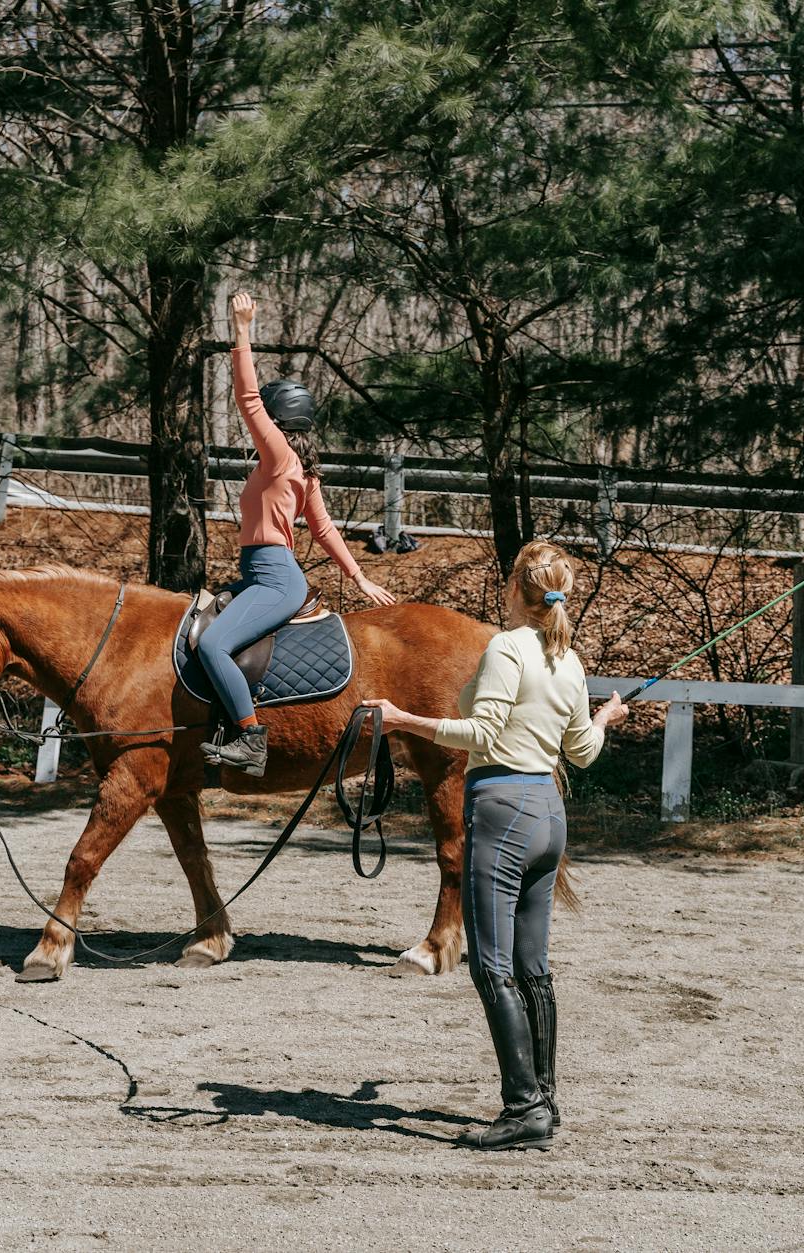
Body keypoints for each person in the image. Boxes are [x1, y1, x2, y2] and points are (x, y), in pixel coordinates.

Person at [363, 541, 628, 1150]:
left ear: (514, 590)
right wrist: (604, 719)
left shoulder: (507, 648)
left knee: (491, 965)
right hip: (547, 816)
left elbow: (479, 731)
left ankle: (523, 1107)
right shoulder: (568, 659)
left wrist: (405, 721)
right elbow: (582, 752)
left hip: (504, 809)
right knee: (532, 966)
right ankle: (546, 1102)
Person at [201, 291, 396, 776]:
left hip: (273, 577)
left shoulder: (279, 456)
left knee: (211, 645)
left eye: (268, 416)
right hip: (263, 574)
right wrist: (358, 576)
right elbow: (324, 528)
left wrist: (242, 329)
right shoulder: (301, 468)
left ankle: (250, 739)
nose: (259, 422)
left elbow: (246, 399)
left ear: (278, 419)